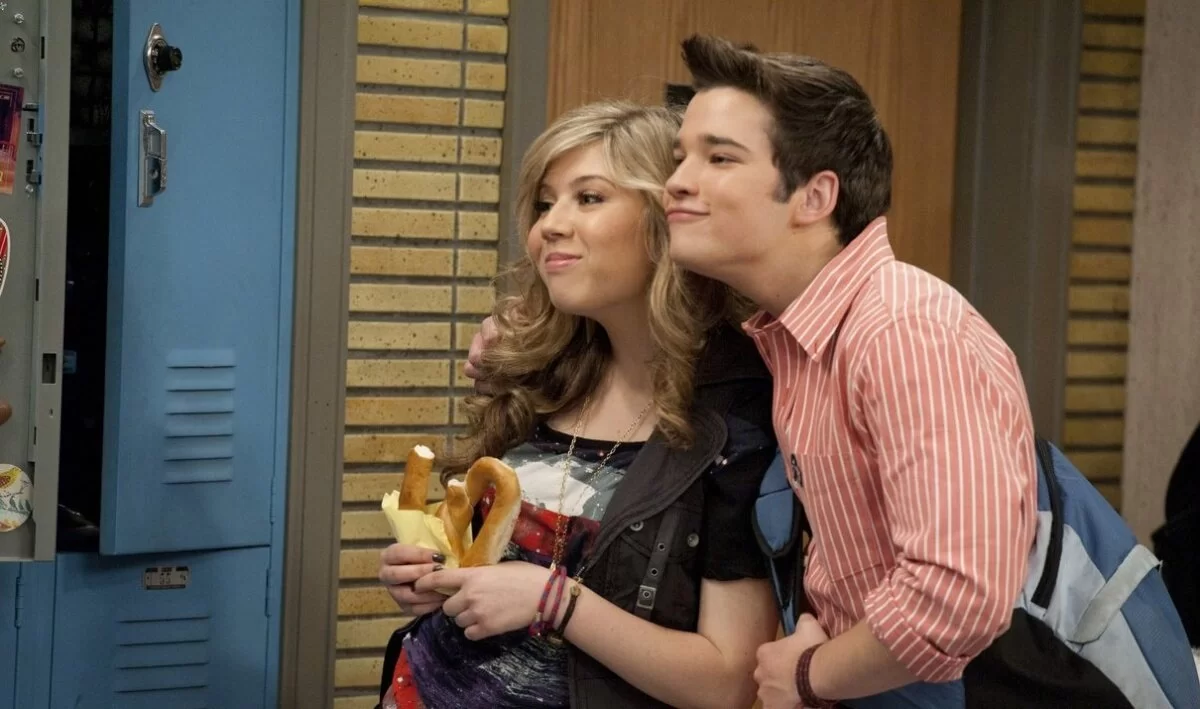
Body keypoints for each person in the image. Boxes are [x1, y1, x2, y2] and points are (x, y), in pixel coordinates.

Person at [376, 100, 779, 709]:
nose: (551, 227)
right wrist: (434, 573)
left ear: (666, 218)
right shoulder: (539, 368)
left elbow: (728, 683)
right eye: (545, 204)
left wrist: (556, 602)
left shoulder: (738, 417)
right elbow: (489, 563)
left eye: (588, 198)